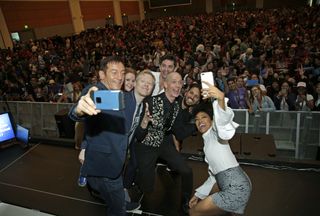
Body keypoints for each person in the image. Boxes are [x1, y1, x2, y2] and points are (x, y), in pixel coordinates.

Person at [69, 56, 135, 215]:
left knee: (116, 198)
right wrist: (79, 109)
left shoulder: (117, 95)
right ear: (102, 75)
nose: (120, 77)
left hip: (116, 162)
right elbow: (78, 110)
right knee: (117, 210)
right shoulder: (95, 91)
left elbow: (93, 127)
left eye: (122, 72)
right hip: (106, 165)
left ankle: (121, 202)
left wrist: (85, 146)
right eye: (114, 72)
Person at [189, 82, 252, 215]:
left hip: (236, 187)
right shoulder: (207, 143)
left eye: (204, 117)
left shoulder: (216, 132)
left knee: (194, 212)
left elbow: (222, 125)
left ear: (212, 120)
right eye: (196, 119)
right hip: (231, 183)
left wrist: (221, 99)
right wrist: (198, 195)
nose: (200, 121)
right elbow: (214, 176)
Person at [134, 72, 193, 214]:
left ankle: (186, 202)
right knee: (147, 187)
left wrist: (198, 124)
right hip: (146, 145)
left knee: (187, 171)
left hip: (164, 144)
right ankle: (138, 186)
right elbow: (139, 135)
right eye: (174, 82)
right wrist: (144, 123)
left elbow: (179, 132)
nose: (178, 85)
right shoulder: (150, 102)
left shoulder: (178, 106)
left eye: (180, 82)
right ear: (165, 85)